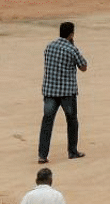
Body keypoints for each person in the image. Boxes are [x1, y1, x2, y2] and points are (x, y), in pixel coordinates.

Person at [38, 21, 88, 164]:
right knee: (72, 121)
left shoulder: (49, 46)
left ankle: (42, 155)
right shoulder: (72, 49)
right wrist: (73, 46)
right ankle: (72, 152)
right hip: (67, 92)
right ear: (71, 34)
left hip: (50, 91)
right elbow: (83, 67)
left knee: (47, 122)